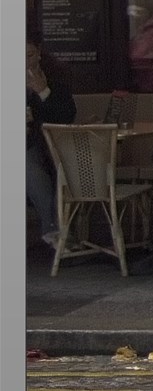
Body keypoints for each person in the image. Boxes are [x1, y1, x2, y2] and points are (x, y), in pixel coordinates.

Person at [28, 40, 75, 251]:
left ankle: (62, 230)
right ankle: (52, 231)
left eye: (29, 55)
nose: (24, 62)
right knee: (30, 168)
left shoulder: (55, 79)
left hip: (52, 145)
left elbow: (66, 116)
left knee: (63, 167)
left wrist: (43, 93)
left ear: (38, 54)